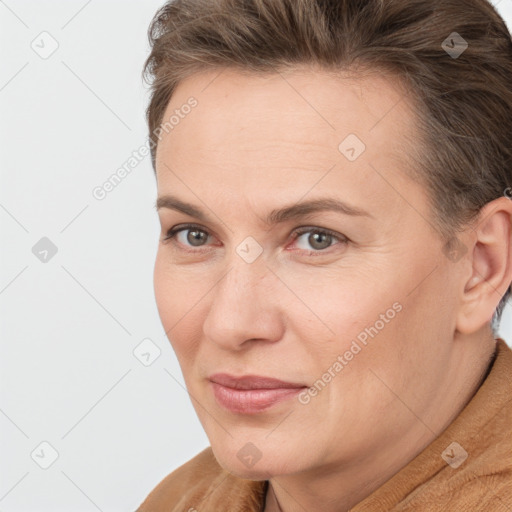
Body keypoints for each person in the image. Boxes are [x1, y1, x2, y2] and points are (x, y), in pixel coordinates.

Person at [137, 0, 512, 510]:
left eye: (317, 238)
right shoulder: (181, 500)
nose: (230, 323)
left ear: (481, 266)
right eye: (194, 235)